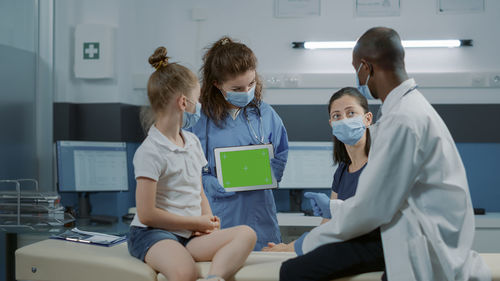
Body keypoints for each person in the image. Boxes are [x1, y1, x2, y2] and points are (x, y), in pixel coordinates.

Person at [279, 27, 491, 281]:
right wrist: (336, 209)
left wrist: (308, 241)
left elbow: (372, 208)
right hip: (412, 232)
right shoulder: (406, 111)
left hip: (423, 242)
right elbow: (379, 202)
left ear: (366, 68)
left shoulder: (403, 120)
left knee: (293, 271)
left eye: (356, 69)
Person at [127, 46, 257, 281]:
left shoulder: (192, 142)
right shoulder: (150, 151)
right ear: (183, 102)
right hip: (153, 234)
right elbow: (146, 214)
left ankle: (214, 278)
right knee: (186, 272)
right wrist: (193, 221)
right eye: (197, 100)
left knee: (246, 234)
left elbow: (198, 192)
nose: (200, 107)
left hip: (189, 235)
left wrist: (207, 222)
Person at [263, 87, 386, 279]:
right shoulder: (342, 171)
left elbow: (368, 217)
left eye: (351, 113)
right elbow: (328, 224)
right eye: (337, 116)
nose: (344, 120)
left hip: (373, 243)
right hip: (349, 241)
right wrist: (290, 246)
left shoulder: (379, 163)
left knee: (292, 270)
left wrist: (293, 247)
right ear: (331, 123)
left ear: (368, 118)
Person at [188, 36, 289, 250]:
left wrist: (271, 172)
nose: (246, 93)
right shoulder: (198, 120)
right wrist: (207, 183)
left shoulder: (266, 114)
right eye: (237, 88)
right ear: (216, 84)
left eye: (251, 84)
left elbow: (281, 153)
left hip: (260, 215)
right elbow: (186, 168)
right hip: (219, 214)